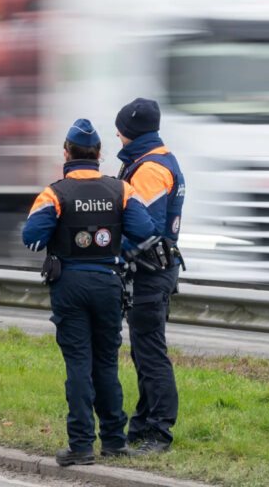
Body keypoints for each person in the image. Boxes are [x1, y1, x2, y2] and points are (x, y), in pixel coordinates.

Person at [22, 118, 154, 466]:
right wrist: (114, 242)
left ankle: (81, 445)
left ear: (66, 153)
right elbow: (144, 230)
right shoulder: (120, 189)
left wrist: (60, 236)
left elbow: (31, 237)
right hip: (108, 282)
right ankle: (114, 441)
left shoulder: (55, 193)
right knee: (107, 363)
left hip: (69, 285)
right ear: (99, 154)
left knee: (79, 362)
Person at [115, 97, 185, 453]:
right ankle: (142, 425)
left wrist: (111, 252)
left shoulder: (151, 169)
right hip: (155, 270)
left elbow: (144, 227)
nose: (117, 136)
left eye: (121, 131)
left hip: (150, 271)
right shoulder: (151, 161)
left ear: (131, 132)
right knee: (143, 351)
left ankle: (159, 431)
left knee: (151, 352)